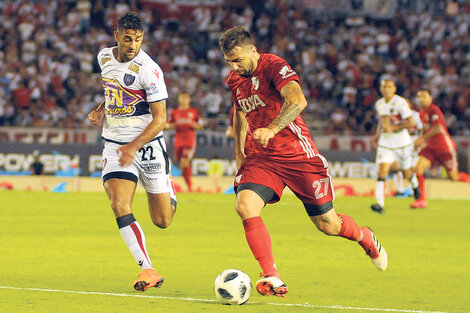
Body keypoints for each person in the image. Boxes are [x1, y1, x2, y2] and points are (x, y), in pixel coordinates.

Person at [219, 25, 388, 298]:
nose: (235, 66)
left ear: (253, 50)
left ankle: (364, 236)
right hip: (262, 158)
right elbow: (238, 114)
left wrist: (272, 129)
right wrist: (240, 154)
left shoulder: (274, 65)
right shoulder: (234, 80)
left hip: (299, 156)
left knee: (328, 225)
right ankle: (271, 276)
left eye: (238, 59)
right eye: (229, 62)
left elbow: (298, 100)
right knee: (245, 205)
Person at [88, 12, 176, 292]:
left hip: (147, 144)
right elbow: (111, 87)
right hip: (114, 143)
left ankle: (168, 186)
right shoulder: (104, 57)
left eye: (138, 39)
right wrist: (102, 108)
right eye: (128, 38)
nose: (133, 44)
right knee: (119, 204)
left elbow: (160, 118)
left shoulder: (149, 70)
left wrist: (133, 146)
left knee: (162, 220)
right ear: (117, 36)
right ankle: (147, 268)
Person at [410, 88, 470, 208]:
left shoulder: (434, 110)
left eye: (424, 96)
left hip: (444, 148)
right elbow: (425, 129)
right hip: (431, 148)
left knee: (453, 176)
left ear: (430, 98)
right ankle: (422, 200)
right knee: (418, 168)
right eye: (419, 97)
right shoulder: (422, 112)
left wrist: (422, 139)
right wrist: (422, 140)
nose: (421, 99)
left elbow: (437, 128)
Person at [370, 79, 420, 214]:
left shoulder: (400, 102)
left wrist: (393, 128)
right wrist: (377, 135)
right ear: (381, 89)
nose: (386, 89)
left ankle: (414, 184)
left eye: (389, 86)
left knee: (406, 171)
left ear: (394, 88)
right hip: (385, 143)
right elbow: (382, 122)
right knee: (382, 172)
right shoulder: (379, 104)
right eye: (384, 86)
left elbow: (410, 122)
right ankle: (380, 204)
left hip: (402, 143)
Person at [167, 92, 203, 192]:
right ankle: (188, 184)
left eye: (185, 98)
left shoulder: (194, 112)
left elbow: (201, 125)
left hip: (189, 141)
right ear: (179, 100)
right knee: (181, 164)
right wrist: (171, 125)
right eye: (182, 98)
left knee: (184, 163)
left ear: (189, 100)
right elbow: (169, 125)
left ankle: (190, 186)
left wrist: (196, 125)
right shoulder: (174, 112)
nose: (184, 100)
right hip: (178, 141)